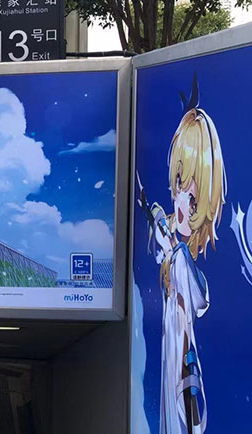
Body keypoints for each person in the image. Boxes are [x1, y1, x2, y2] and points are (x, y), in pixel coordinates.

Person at [138, 77, 224, 434]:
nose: (181, 204)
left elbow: (201, 297)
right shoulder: (171, 246)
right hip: (170, 349)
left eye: (192, 196)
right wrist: (154, 216)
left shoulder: (184, 258)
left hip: (184, 360)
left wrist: (173, 243)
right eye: (177, 187)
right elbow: (160, 235)